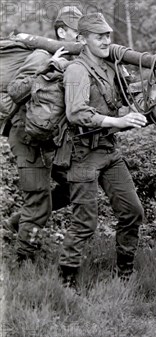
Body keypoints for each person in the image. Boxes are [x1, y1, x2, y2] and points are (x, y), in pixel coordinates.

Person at [59, 13, 146, 287]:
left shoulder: (110, 68)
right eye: (100, 36)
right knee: (85, 223)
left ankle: (124, 274)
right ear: (82, 39)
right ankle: (67, 281)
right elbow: (75, 113)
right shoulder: (76, 70)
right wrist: (117, 121)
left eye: (108, 35)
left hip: (109, 151)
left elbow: (121, 102)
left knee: (132, 211)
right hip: (82, 153)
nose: (106, 40)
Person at [4, 6, 82, 262]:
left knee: (74, 184)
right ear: (61, 32)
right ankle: (23, 260)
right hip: (25, 135)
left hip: (51, 139)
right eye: (77, 32)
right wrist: (51, 65)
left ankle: (18, 222)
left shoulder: (78, 62)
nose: (82, 38)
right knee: (38, 197)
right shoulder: (41, 55)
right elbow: (16, 91)